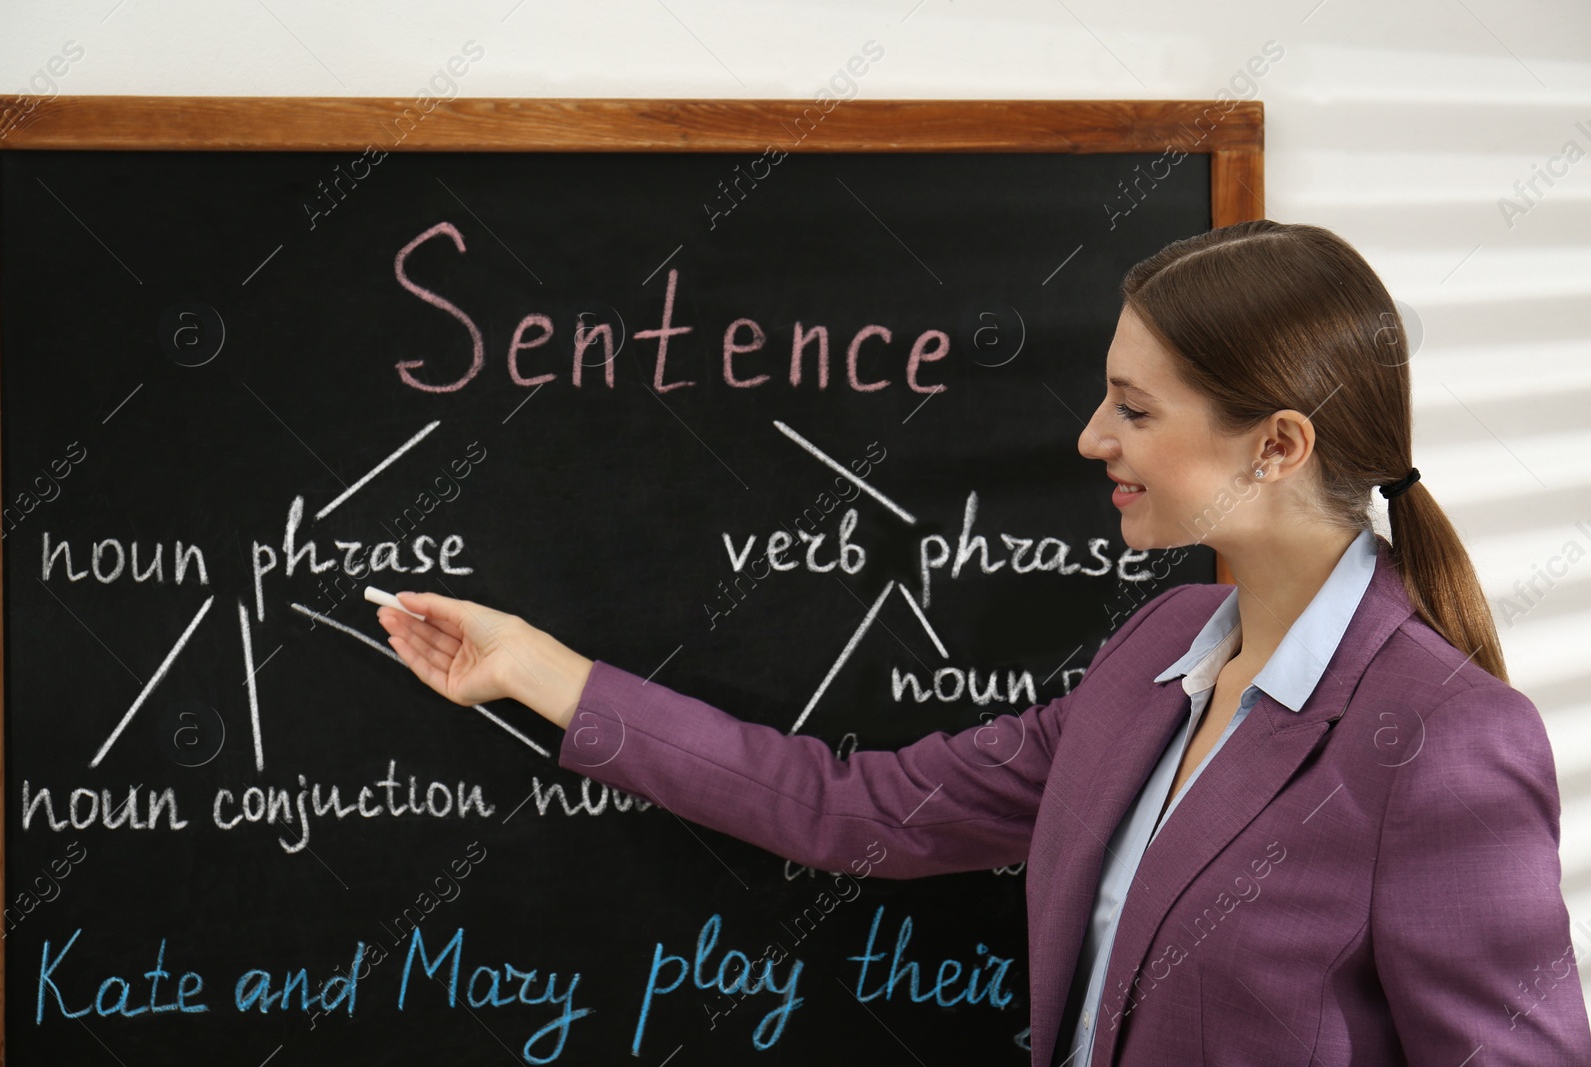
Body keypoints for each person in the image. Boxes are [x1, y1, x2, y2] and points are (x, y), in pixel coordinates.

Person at [375, 219, 1591, 1065]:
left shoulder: (1439, 743)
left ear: (1274, 446)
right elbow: (859, 807)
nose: (1088, 439)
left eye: (1133, 406)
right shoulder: (1159, 653)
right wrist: (536, 670)